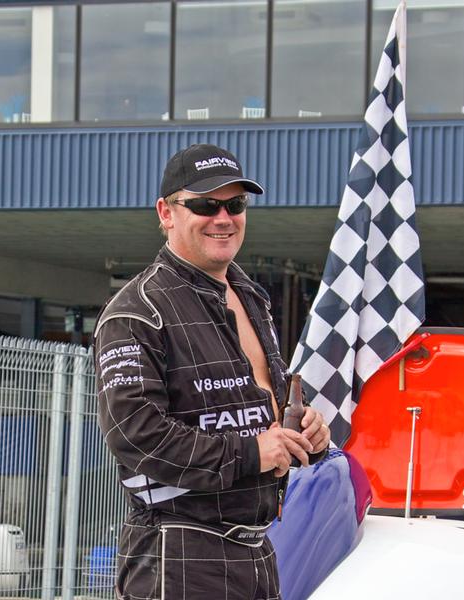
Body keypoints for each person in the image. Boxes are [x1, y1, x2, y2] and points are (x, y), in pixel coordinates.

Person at [93, 143, 330, 600]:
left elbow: (262, 412)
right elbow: (135, 435)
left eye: (235, 204)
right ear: (166, 212)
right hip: (178, 557)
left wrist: (304, 435)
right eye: (205, 204)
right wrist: (250, 453)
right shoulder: (136, 312)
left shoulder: (253, 297)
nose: (224, 217)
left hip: (258, 554)